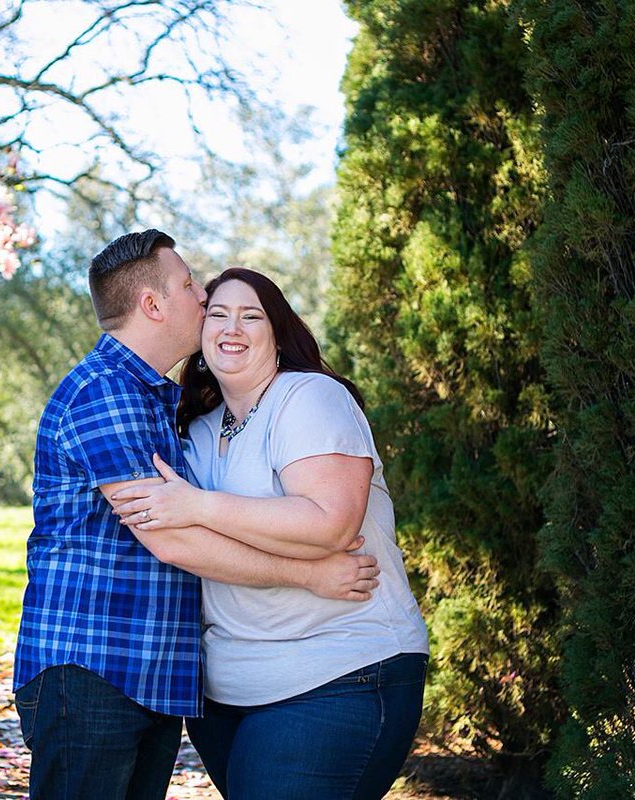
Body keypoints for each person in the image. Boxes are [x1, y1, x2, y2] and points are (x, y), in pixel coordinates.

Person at [13, 235, 384, 800]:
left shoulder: (160, 401)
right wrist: (309, 574)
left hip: (148, 673)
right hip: (92, 670)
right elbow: (172, 540)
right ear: (153, 306)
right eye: (188, 284)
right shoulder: (104, 393)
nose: (202, 294)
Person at [111, 267, 431, 800]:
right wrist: (303, 572)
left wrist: (200, 505)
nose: (232, 326)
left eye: (251, 315)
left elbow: (330, 523)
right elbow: (191, 544)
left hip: (338, 674)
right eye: (217, 313)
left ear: (278, 333)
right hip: (225, 700)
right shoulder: (197, 427)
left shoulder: (309, 399)